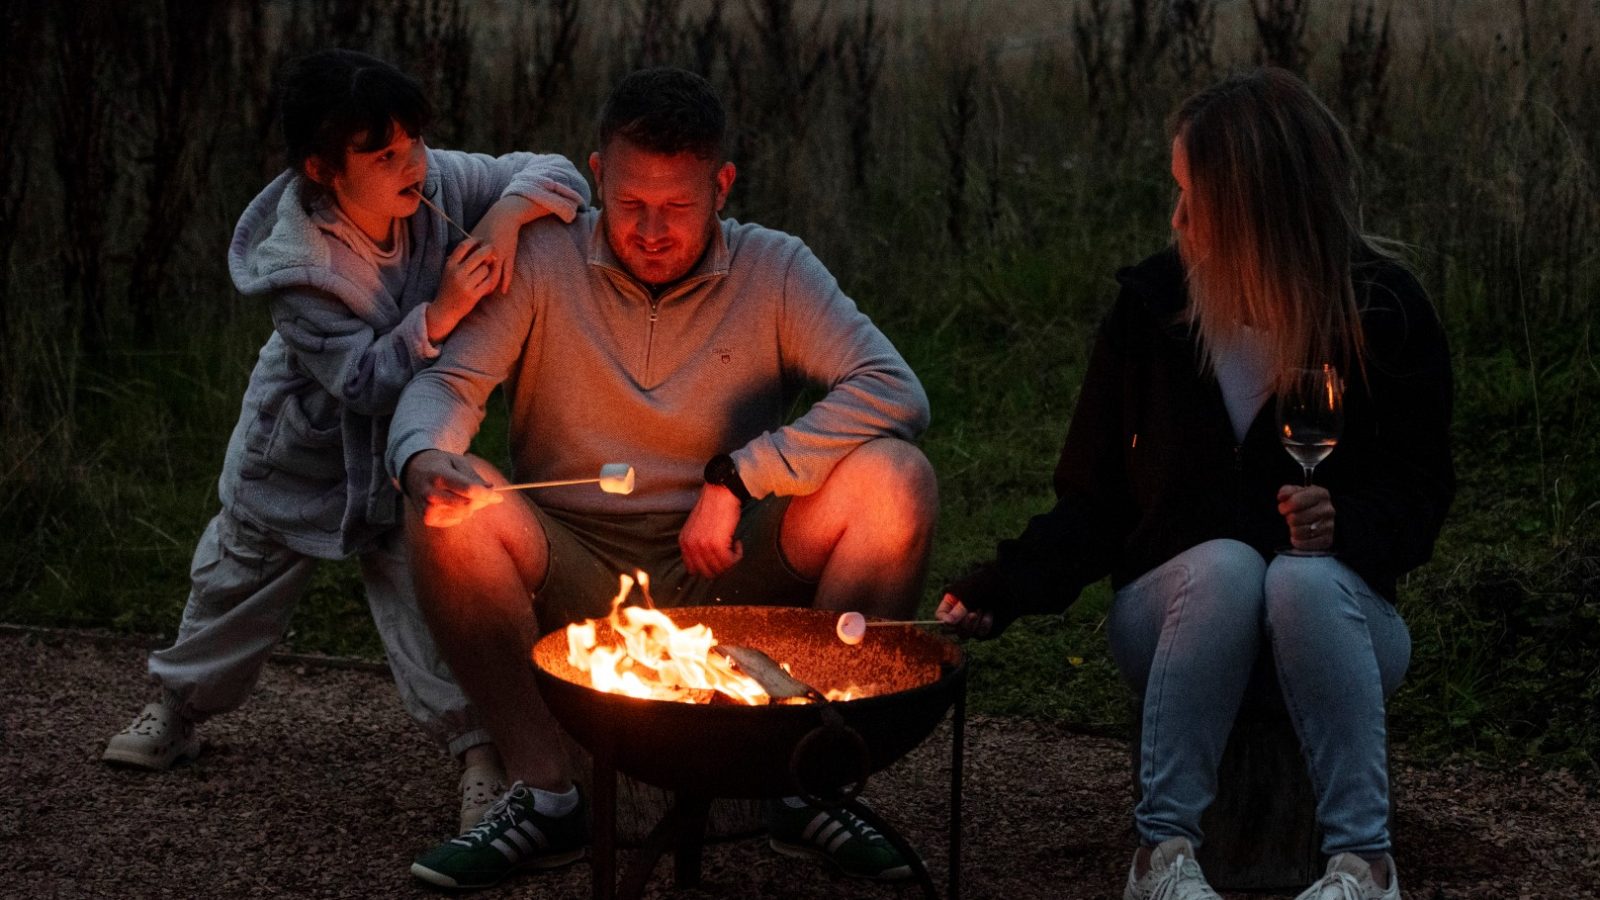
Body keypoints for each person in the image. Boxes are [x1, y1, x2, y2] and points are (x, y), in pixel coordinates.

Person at [387, 67, 936, 890]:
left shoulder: (775, 270)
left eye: (677, 207)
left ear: (721, 186)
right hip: (570, 575)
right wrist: (426, 457)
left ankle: (810, 780)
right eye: (630, 202)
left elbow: (895, 392)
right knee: (448, 508)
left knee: (896, 481)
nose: (650, 230)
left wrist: (741, 476)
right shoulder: (541, 261)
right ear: (596, 175)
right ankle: (546, 795)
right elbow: (446, 387)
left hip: (726, 574)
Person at [937, 68, 1452, 900]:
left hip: (1337, 627)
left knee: (1300, 579)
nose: (1174, 220)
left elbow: (1423, 495)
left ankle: (1365, 865)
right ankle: (1162, 857)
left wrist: (1344, 523)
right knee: (1226, 566)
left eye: (1192, 198)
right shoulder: (1153, 310)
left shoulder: (1382, 315)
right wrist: (1007, 586)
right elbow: (1094, 500)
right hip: (1177, 619)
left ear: (1256, 208)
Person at [102, 48, 592, 834]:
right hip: (296, 457)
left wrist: (506, 216)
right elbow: (361, 381)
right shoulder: (297, 267)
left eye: (415, 144)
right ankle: (177, 707)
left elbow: (559, 171)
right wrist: (442, 313)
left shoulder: (439, 183)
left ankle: (479, 755)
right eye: (384, 154)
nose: (413, 165)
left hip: (401, 463)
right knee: (234, 584)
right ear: (324, 169)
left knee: (437, 605)